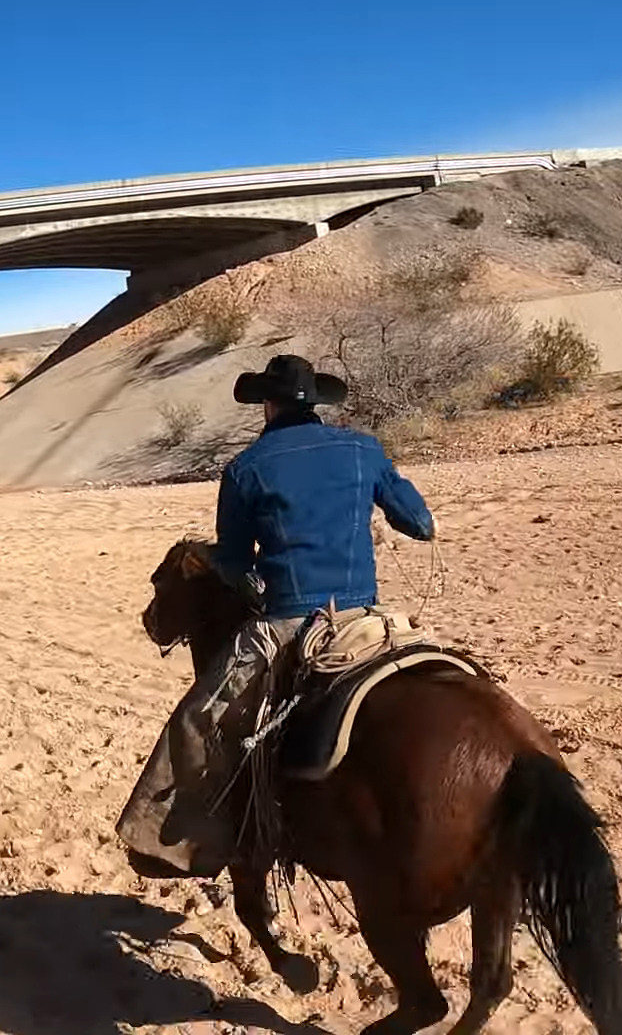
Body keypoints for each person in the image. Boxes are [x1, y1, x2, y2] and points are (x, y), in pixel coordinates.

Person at [118, 354, 436, 877]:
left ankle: (176, 845)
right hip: (368, 617)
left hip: (291, 622)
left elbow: (238, 563)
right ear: (317, 403)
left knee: (198, 719)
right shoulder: (364, 449)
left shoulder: (246, 468)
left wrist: (254, 583)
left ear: (267, 404)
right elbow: (419, 524)